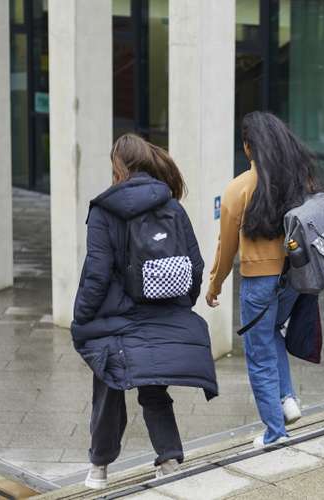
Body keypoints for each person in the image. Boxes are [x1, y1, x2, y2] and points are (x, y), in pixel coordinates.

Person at [72, 134, 218, 489]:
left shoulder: (105, 210)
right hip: (162, 314)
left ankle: (99, 469)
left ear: (119, 167)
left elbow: (97, 272)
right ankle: (169, 460)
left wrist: (82, 317)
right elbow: (196, 265)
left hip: (116, 320)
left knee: (108, 387)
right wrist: (181, 305)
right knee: (154, 389)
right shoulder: (172, 206)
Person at [206, 111, 322, 448]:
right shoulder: (300, 181)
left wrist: (214, 285)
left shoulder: (238, 188)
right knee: (272, 332)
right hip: (296, 278)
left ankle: (274, 433)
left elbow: (226, 248)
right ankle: (287, 399)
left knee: (258, 357)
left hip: (259, 283)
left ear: (248, 147)